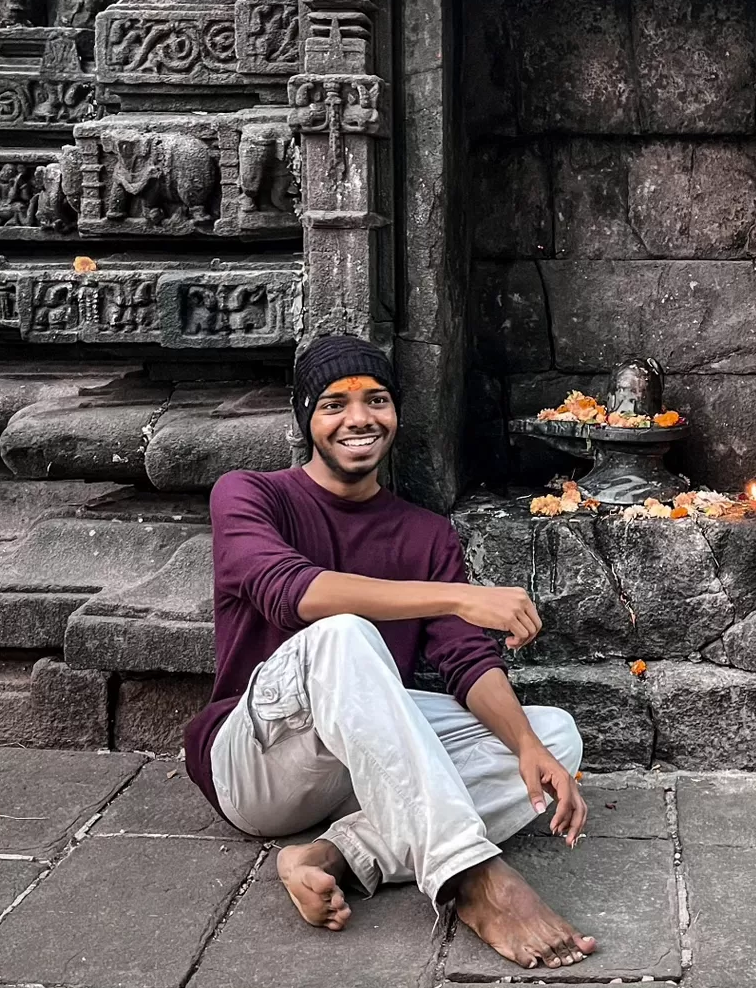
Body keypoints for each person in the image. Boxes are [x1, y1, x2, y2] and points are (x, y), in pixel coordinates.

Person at [183, 334, 596, 969]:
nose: (358, 419)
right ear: (306, 417)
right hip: (260, 763)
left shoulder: (426, 535)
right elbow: (290, 592)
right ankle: (469, 877)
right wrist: (456, 597)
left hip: (364, 764)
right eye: (333, 404)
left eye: (376, 400)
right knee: (344, 634)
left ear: (396, 413)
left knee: (551, 739)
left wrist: (525, 744)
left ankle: (331, 856)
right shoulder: (248, 494)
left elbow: (466, 661)